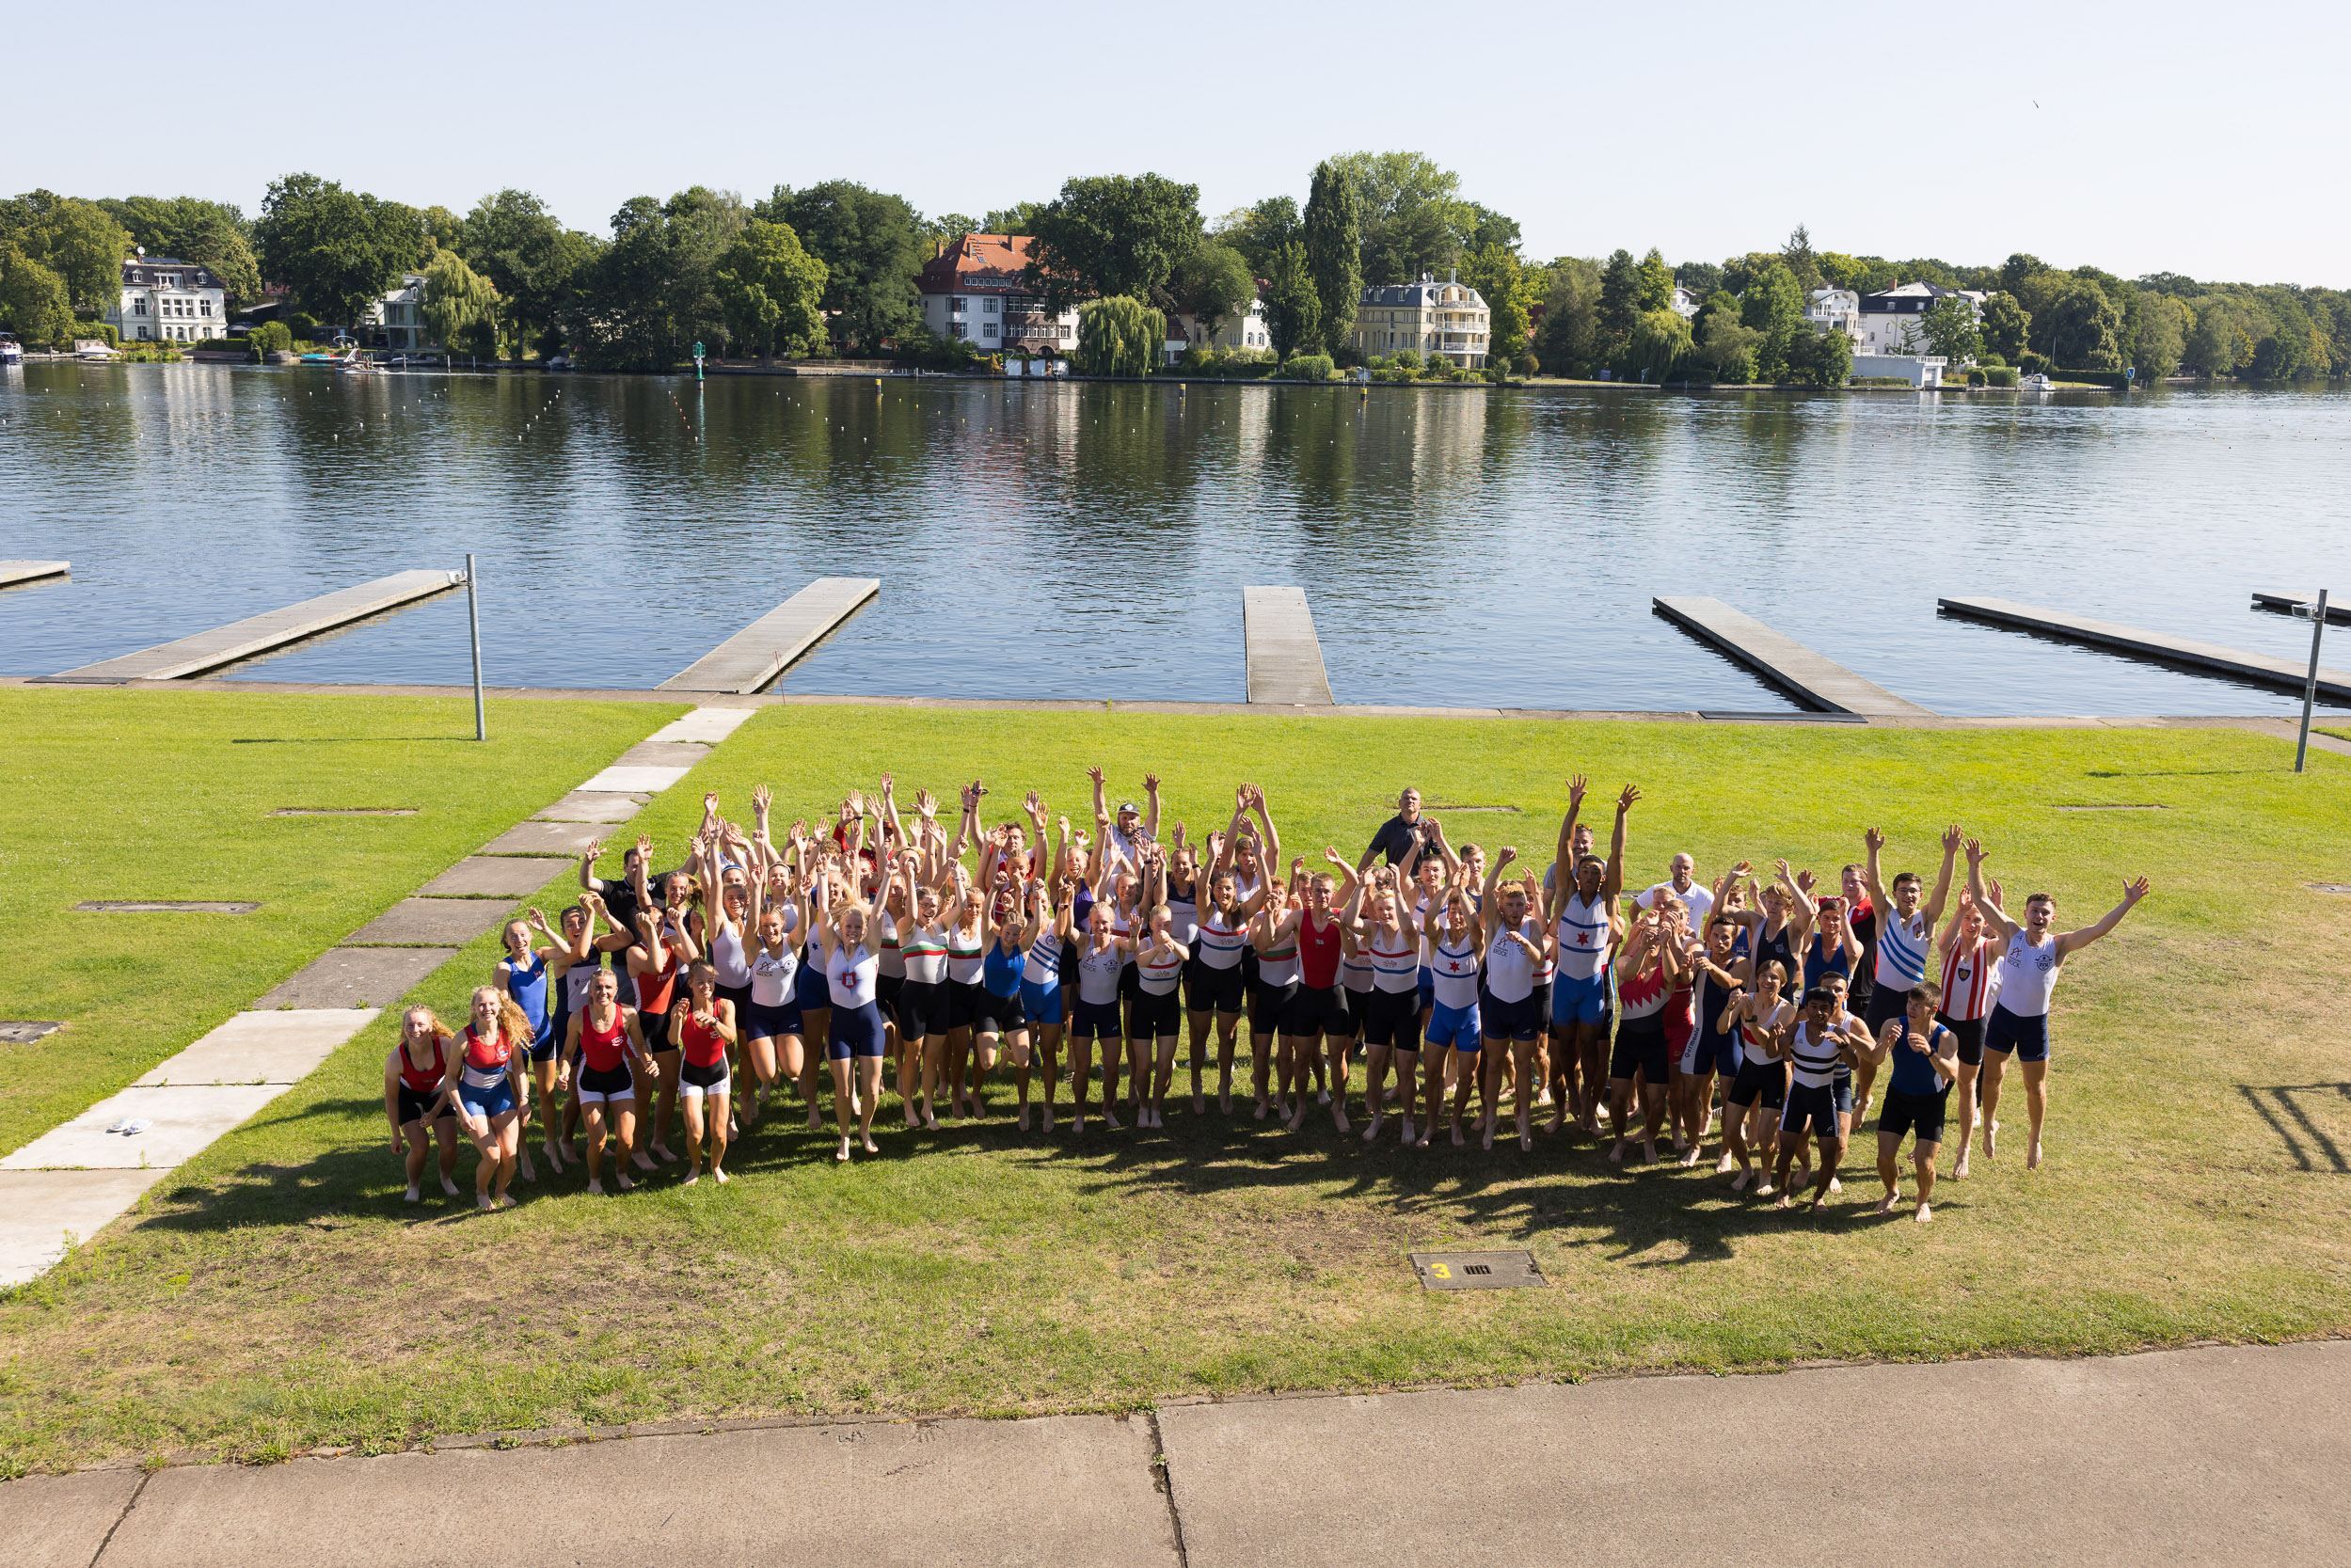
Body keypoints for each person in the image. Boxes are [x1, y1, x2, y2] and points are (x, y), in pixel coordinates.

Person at [1967, 839, 2151, 1170]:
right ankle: (1990, 1124)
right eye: (2034, 911)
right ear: (2025, 914)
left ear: (2053, 918)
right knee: (1991, 1078)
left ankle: (2035, 1137)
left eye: (2045, 913)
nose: (2039, 916)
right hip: (2004, 1018)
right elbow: (1980, 899)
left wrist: (2128, 903)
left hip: (2034, 1025)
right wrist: (1974, 864)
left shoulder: (2059, 945)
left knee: (2034, 1086)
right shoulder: (2011, 934)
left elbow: (2097, 931)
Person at [1853, 826, 1959, 1123]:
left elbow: (1944, 889)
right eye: (1903, 890)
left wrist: (1949, 853)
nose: (1908, 895)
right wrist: (1873, 852)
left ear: (1919, 895)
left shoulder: (1927, 919)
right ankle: (1865, 1097)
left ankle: (1918, 1101)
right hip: (1884, 993)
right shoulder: (1884, 916)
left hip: (1915, 999)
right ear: (1896, 893)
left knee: (1918, 1052)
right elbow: (1874, 886)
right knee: (1871, 1049)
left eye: (1913, 891)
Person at [1549, 780, 1637, 1137]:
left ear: (1602, 880)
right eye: (1583, 869)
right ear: (1575, 874)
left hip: (1591, 989)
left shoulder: (1609, 900)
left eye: (1594, 872)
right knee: (1564, 1048)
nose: (1588, 874)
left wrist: (1620, 815)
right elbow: (1563, 845)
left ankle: (1588, 1103)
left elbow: (1617, 855)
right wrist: (1574, 807)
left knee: (1591, 1049)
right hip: (1564, 985)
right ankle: (1572, 1094)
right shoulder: (1565, 892)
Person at [1860, 981, 1961, 1221]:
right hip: (1898, 1097)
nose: (1911, 1009)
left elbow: (1952, 1073)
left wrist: (1929, 1052)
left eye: (1918, 1005)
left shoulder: (1946, 1037)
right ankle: (1892, 1191)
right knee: (1884, 1158)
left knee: (1925, 1164)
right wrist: (1886, 1045)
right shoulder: (1893, 1025)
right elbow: (1874, 1060)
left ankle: (1922, 1200)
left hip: (1930, 1102)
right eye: (1909, 1002)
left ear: (1932, 1009)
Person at [1478, 852, 1549, 1152]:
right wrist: (1500, 865)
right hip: (1495, 1004)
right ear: (1501, 907)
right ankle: (1492, 1118)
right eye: (1510, 904)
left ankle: (1524, 1121)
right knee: (1493, 1064)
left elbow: (1540, 961)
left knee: (1523, 1066)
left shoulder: (1531, 928)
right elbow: (1485, 891)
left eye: (1520, 904)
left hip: (1523, 1006)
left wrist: (1524, 943)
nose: (1516, 910)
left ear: (1526, 906)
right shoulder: (1493, 924)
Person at [815, 866, 887, 1161]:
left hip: (869, 1024)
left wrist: (885, 879)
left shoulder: (871, 948)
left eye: (858, 927)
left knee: (871, 1090)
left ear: (865, 930)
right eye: (849, 927)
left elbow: (879, 911)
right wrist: (821, 876)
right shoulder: (831, 947)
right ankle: (844, 1136)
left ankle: (864, 1129)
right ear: (839, 929)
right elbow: (821, 908)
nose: (854, 931)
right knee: (843, 1090)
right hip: (841, 1026)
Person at [563, 966, 654, 1195]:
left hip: (619, 1077)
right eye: (598, 987)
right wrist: (563, 1072)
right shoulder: (577, 1018)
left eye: (608, 987)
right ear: (590, 991)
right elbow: (566, 1054)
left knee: (626, 1139)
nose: (603, 992)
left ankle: (621, 1171)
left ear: (616, 990)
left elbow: (641, 1045)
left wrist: (647, 1061)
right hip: (590, 1079)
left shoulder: (629, 1014)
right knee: (599, 1140)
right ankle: (594, 1178)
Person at [1351, 869, 1423, 1147]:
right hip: (1380, 1002)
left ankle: (1408, 1119)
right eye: (1379, 909)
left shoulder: (1411, 932)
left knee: (1405, 1068)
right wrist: (1362, 886)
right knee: (1374, 1062)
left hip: (1407, 1004)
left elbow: (1407, 925)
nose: (1385, 913)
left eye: (1389, 908)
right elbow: (1348, 920)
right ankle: (1377, 1116)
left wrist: (1397, 892)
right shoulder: (1372, 930)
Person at [444, 986, 532, 1211]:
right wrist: (462, 1111)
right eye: (481, 1005)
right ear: (474, 1008)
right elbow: (451, 1079)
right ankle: (481, 1192)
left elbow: (520, 1068)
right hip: (471, 1099)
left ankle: (501, 1191)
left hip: (500, 1095)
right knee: (493, 1155)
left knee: (510, 1154)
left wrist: (524, 1098)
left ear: (499, 1006)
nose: (487, 1009)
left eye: (492, 1004)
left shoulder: (509, 1033)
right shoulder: (463, 1038)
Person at [1769, 987, 1854, 1213]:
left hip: (1824, 1099)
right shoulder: (1797, 1028)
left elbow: (1854, 1064)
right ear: (1806, 1007)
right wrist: (1776, 1039)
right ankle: (1783, 1191)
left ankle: (1818, 1198)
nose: (1818, 1012)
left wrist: (1842, 1044)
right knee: (1786, 1152)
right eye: (1813, 1007)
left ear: (1832, 1009)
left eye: (1824, 1008)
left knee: (1828, 1156)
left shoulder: (1838, 1033)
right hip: (1797, 1097)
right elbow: (1773, 1053)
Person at [1935, 886, 2001, 1179]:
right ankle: (1929, 1137)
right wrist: (1961, 909)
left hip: (1974, 1026)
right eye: (1968, 919)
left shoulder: (1989, 950)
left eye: (1978, 920)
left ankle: (1964, 1147)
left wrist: (1994, 910)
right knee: (1935, 1083)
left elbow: (2008, 940)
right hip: (1945, 1023)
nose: (1972, 925)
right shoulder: (1949, 948)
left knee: (1966, 1086)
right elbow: (1942, 941)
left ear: (1985, 924)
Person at [494, 910, 564, 1178]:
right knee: (518, 1101)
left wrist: (546, 928)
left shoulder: (542, 956)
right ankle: (523, 1154)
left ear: (530, 936)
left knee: (547, 1094)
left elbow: (568, 950)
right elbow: (503, 1004)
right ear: (507, 942)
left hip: (544, 1035)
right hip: (517, 1040)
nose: (519, 939)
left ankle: (550, 1146)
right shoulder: (504, 968)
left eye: (523, 934)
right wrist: (519, 1027)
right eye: (513, 936)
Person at [1607, 904, 1676, 1164]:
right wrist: (1642, 945)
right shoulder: (1626, 962)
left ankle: (1650, 1141)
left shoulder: (1665, 970)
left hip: (1655, 1042)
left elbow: (1674, 977)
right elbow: (1628, 972)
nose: (1653, 942)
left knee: (1658, 1102)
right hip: (1627, 1041)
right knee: (1617, 1099)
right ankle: (1619, 1140)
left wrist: (1666, 945)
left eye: (1657, 939)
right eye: (1649, 936)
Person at [1718, 959, 1794, 1193]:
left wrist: (1750, 1020)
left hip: (1774, 1073)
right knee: (1730, 1130)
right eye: (1763, 976)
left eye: (1774, 978)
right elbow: (1721, 1029)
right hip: (1749, 1070)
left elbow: (1767, 1046)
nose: (1767, 981)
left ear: (1782, 983)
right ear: (1757, 978)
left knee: (1765, 1138)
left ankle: (1765, 1175)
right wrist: (1731, 1007)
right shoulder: (1746, 1000)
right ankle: (1746, 1169)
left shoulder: (1787, 1010)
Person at [1420, 888, 1484, 1148]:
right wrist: (1450, 888)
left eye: (1462, 912)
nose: (1457, 916)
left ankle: (1456, 1122)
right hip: (1441, 1019)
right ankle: (1431, 1124)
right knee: (1432, 1073)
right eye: (1452, 912)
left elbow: (1475, 924)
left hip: (1470, 1019)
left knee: (1467, 1077)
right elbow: (1428, 917)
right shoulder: (1437, 938)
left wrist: (1465, 898)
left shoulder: (1477, 940)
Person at [1067, 894, 1131, 1134]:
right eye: (1096, 923)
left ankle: (1107, 1109)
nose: (1101, 927)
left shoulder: (1118, 944)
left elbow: (1133, 947)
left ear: (1112, 922)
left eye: (1105, 922)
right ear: (1090, 923)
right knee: (1082, 1068)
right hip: (1085, 1011)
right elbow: (1067, 930)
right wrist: (1066, 903)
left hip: (1109, 1012)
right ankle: (1079, 1113)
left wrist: (1133, 935)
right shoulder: (1084, 943)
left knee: (1112, 1068)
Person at [384, 1006, 461, 1201]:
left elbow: (454, 1080)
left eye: (420, 1024)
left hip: (438, 1094)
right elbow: (391, 1098)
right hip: (407, 1097)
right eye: (410, 1025)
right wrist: (395, 1135)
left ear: (431, 1026)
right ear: (404, 1029)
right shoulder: (396, 1058)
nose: (415, 1029)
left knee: (449, 1144)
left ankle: (445, 1178)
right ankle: (413, 1185)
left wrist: (434, 1112)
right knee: (419, 1146)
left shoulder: (445, 1046)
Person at [672, 960, 739, 1185]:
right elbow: (673, 1040)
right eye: (700, 982)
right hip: (690, 1073)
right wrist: (678, 1019)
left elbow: (730, 1037)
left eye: (710, 981)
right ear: (690, 983)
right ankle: (695, 1166)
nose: (706, 986)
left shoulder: (725, 1005)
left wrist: (714, 1022)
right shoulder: (682, 1008)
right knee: (696, 1134)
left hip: (718, 1073)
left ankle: (716, 1166)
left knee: (719, 1134)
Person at [1015, 875, 1067, 1132]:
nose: (1040, 904)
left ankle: (1048, 1107)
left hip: (1050, 1000)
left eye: (1044, 900)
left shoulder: (1058, 927)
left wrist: (1064, 899)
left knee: (1048, 1054)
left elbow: (1062, 929)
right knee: (1024, 1057)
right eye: (1035, 900)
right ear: (1028, 904)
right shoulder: (1023, 928)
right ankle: (1023, 1106)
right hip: (1025, 998)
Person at [1357, 785, 1426, 870]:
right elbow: (1369, 855)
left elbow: (1443, 856)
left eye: (1414, 799)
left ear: (1420, 804)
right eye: (1406, 798)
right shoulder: (1388, 827)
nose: (1410, 801)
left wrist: (1447, 882)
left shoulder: (1428, 827)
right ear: (1400, 802)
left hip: (1420, 880)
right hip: (1393, 879)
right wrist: (1358, 881)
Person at [1637, 852, 1713, 927]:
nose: (1682, 871)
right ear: (1671, 868)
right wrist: (1641, 929)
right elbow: (1634, 909)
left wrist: (1708, 937)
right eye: (1678, 867)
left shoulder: (1703, 895)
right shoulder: (1658, 890)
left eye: (1686, 868)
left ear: (1692, 871)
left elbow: (1719, 913)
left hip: (1689, 938)